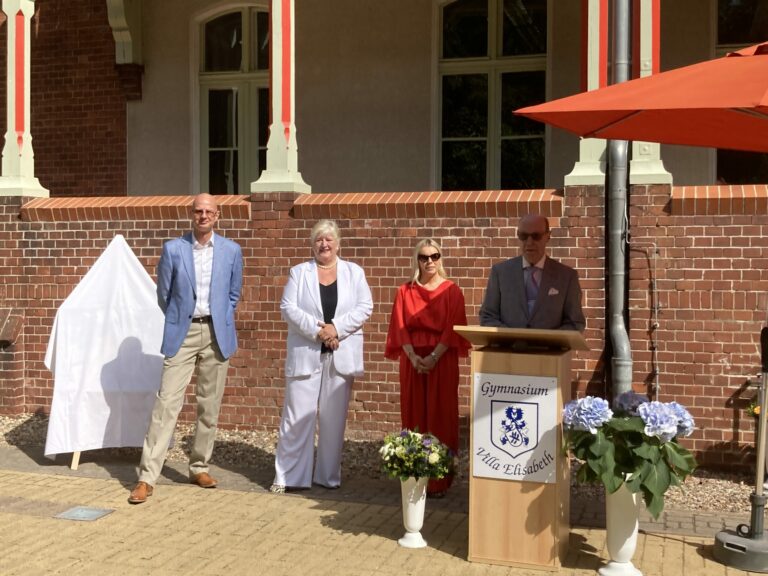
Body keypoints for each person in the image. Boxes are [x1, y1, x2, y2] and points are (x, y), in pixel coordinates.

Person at [128, 193, 243, 504]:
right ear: (191, 214)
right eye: (198, 211)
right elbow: (163, 294)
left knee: (209, 405)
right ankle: (147, 477)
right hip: (183, 332)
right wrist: (180, 318)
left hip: (217, 333)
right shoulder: (173, 249)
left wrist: (219, 317)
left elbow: (233, 295)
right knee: (166, 404)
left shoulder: (231, 251)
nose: (203, 216)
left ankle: (199, 467)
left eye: (208, 211)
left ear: (217, 215)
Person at [270, 219, 373, 493]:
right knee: (296, 417)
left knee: (333, 420)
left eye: (328, 239)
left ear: (338, 243)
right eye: (318, 239)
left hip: (340, 354)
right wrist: (320, 332)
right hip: (307, 351)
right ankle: (289, 477)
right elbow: (288, 308)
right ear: (312, 244)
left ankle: (327, 477)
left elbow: (365, 307)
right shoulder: (299, 272)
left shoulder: (354, 272)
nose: (324, 244)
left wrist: (336, 328)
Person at [385, 239, 471, 497]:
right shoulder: (405, 291)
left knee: (441, 414)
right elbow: (399, 326)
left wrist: (433, 357)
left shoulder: (452, 291)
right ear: (417, 260)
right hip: (412, 361)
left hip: (442, 360)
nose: (430, 261)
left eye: (435, 256)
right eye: (424, 257)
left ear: (440, 258)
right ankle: (415, 473)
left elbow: (453, 328)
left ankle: (439, 480)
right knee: (414, 414)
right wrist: (413, 357)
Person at [479, 213, 585, 331]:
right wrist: (511, 337)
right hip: (509, 343)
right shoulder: (500, 273)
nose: (529, 242)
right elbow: (488, 316)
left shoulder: (567, 276)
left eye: (536, 236)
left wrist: (550, 339)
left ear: (548, 236)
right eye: (524, 236)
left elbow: (574, 323)